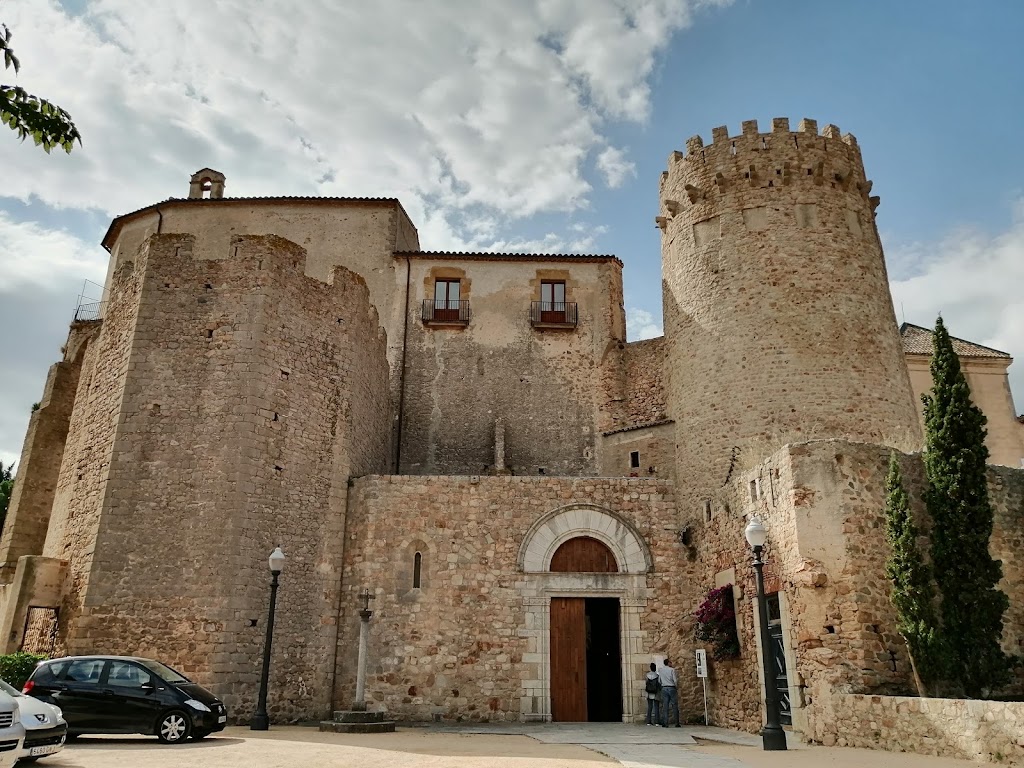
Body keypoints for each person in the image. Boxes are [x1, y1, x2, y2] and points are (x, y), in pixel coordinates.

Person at [658, 657, 679, 727]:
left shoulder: (661, 670)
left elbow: (659, 681)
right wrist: (676, 687)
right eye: (670, 662)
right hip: (671, 687)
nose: (671, 663)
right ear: (668, 663)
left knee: (665, 706)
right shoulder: (672, 670)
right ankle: (677, 722)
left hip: (664, 688)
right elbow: (675, 680)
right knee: (674, 705)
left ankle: (665, 722)